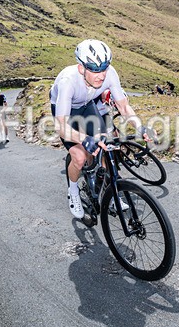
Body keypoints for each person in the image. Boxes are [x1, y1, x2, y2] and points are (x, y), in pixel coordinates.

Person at [50, 39, 151, 219]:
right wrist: (84, 139)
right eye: (95, 70)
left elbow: (124, 107)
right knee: (80, 157)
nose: (102, 75)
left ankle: (110, 191)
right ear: (81, 68)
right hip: (67, 112)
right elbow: (61, 127)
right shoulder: (68, 81)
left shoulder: (110, 74)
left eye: (104, 68)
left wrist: (140, 126)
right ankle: (73, 190)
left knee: (107, 144)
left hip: (87, 105)